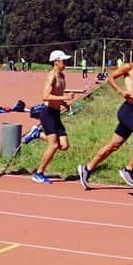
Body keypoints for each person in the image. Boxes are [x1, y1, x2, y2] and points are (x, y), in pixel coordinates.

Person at [78, 38, 133, 189]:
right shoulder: (129, 67)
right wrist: (121, 91)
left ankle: (86, 169)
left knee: (113, 146)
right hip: (127, 111)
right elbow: (110, 77)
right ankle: (128, 170)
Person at [31, 50, 80, 184]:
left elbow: (57, 93)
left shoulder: (62, 76)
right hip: (47, 113)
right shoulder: (51, 76)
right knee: (53, 145)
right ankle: (38, 172)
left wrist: (65, 103)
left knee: (64, 146)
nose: (65, 63)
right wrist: (65, 97)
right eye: (63, 61)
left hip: (56, 113)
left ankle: (37, 134)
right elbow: (45, 96)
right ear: (56, 62)